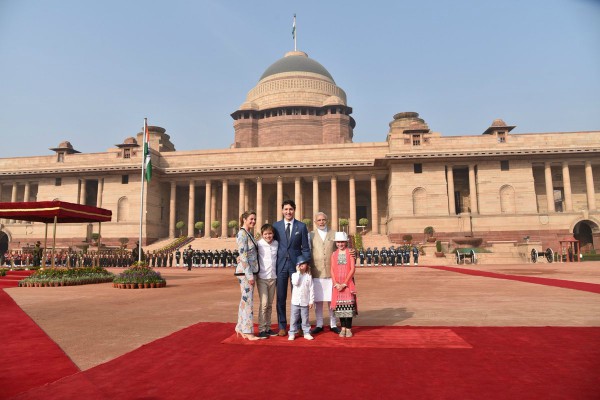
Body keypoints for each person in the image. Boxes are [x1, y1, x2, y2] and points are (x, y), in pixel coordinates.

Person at [272, 200, 311, 336]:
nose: (288, 212)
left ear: (294, 210)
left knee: (299, 296)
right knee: (281, 297)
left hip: (296, 266)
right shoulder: (276, 226)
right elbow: (269, 244)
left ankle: (299, 326)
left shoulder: (301, 226)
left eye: (290, 209)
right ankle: (282, 325)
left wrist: (304, 263)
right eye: (286, 209)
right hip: (281, 265)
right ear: (282, 210)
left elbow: (305, 248)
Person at [234, 210, 265, 340]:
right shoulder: (242, 234)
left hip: (249, 271)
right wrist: (250, 275)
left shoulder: (248, 233)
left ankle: (240, 327)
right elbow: (243, 255)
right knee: (248, 302)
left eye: (254, 219)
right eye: (251, 219)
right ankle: (247, 331)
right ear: (244, 219)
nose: (253, 221)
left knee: (244, 300)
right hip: (246, 273)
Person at [309, 212, 341, 335]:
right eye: (319, 220)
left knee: (332, 300)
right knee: (318, 300)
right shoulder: (310, 235)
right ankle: (319, 324)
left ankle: (333, 324)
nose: (321, 222)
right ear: (315, 222)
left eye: (323, 219)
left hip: (332, 271)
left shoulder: (334, 234)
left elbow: (341, 248)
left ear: (327, 220)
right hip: (316, 271)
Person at [330, 232, 357, 338]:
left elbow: (352, 269)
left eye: (342, 242)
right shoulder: (334, 254)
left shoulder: (350, 253)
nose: (340, 244)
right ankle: (343, 328)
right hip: (337, 285)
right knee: (340, 308)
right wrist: (336, 283)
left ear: (346, 242)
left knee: (348, 307)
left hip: (348, 284)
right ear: (336, 243)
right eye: (338, 242)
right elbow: (332, 269)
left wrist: (345, 283)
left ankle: (349, 328)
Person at [256, 223, 278, 338]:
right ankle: (261, 329)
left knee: (269, 304)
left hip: (273, 277)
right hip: (262, 278)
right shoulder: (258, 244)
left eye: (270, 233)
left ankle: (268, 328)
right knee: (264, 304)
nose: (268, 236)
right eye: (266, 234)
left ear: (273, 234)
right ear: (262, 234)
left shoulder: (276, 244)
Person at [289, 255, 315, 341]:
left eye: (304, 264)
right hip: (295, 302)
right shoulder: (294, 275)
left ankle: (306, 332)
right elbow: (295, 283)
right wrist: (298, 272)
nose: (302, 265)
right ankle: (292, 333)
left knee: (305, 318)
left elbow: (311, 289)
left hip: (305, 301)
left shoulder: (309, 276)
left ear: (307, 265)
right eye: (300, 264)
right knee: (293, 318)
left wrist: (311, 301)